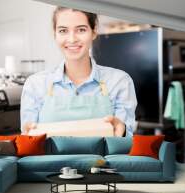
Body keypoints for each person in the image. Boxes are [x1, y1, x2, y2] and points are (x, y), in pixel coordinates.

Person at [20, 7, 137, 137]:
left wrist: (123, 131)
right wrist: (27, 138)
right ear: (55, 34)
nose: (72, 39)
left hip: (101, 158)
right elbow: (28, 140)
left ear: (93, 32)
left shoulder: (119, 81)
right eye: (63, 30)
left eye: (81, 29)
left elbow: (127, 141)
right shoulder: (35, 84)